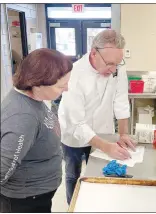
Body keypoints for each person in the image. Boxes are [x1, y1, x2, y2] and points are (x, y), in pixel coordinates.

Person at [58, 29, 136, 205]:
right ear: (94, 53)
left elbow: (121, 100)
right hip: (74, 134)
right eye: (109, 64)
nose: (113, 69)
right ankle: (74, 206)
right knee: (73, 175)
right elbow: (77, 124)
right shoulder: (74, 74)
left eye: (117, 64)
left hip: (102, 129)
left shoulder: (117, 67)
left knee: (100, 171)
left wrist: (122, 134)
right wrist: (107, 147)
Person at [1, 48, 72, 213]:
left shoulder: (34, 97)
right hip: (25, 201)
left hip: (36, 196)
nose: (67, 89)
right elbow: (3, 168)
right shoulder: (23, 117)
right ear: (37, 83)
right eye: (61, 85)